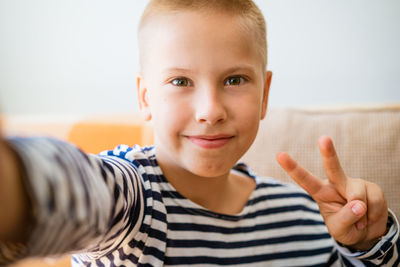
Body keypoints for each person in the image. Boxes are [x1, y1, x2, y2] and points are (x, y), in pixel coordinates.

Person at [0, 0, 398, 266]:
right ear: (145, 97)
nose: (210, 111)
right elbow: (71, 186)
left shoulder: (302, 215)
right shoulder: (133, 201)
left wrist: (365, 245)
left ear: (265, 95)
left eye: (235, 79)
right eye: (180, 82)